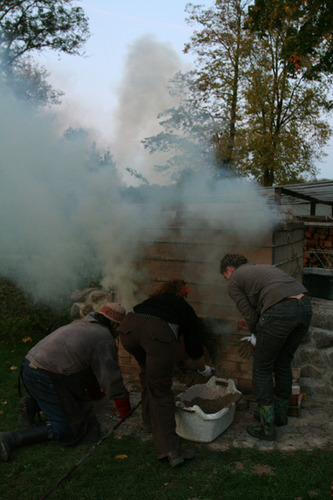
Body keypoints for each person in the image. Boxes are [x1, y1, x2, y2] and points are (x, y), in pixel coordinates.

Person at [0, 303, 131, 462]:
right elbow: (111, 377)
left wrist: (95, 393)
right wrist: (125, 410)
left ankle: (34, 404)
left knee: (77, 404)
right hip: (45, 376)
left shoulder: (84, 324)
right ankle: (9, 438)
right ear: (114, 323)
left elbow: (90, 369)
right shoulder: (103, 338)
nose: (118, 331)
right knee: (68, 428)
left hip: (30, 367)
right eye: (119, 327)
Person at [117, 279, 211, 467]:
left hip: (128, 329)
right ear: (182, 293)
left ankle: (148, 420)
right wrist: (203, 369)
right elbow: (194, 347)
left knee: (148, 376)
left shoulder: (152, 301)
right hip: (156, 334)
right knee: (161, 390)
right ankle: (171, 450)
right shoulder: (184, 308)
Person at [220, 254, 312, 441]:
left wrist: (256, 334)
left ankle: (267, 426)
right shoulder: (262, 269)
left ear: (229, 270)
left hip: (280, 311)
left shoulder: (234, 280)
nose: (226, 281)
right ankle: (280, 415)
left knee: (262, 368)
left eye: (224, 276)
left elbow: (251, 316)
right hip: (305, 307)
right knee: (283, 361)